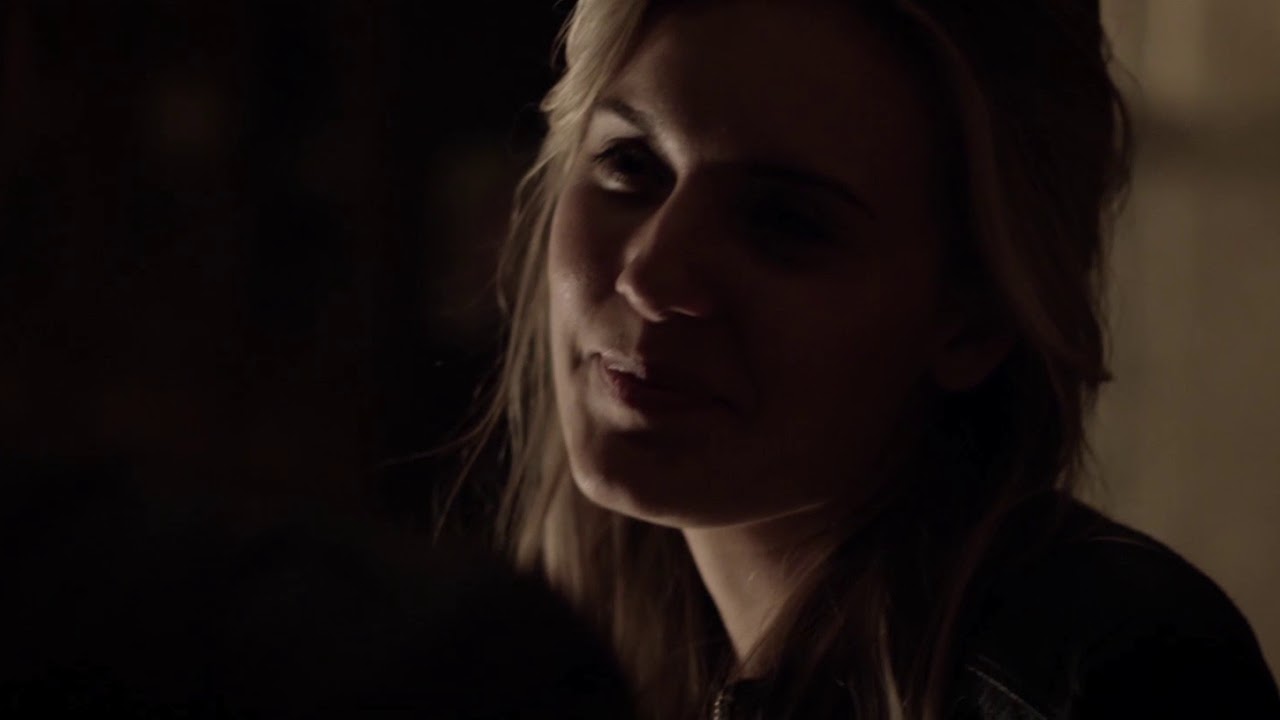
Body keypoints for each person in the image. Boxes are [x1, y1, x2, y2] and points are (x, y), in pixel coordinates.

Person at [454, 0, 1280, 717]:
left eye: (784, 223)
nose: (651, 276)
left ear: (974, 320)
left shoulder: (1116, 676)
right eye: (630, 164)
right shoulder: (558, 661)